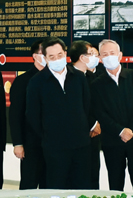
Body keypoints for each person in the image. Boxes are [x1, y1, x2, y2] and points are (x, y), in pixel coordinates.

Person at [26, 37, 95, 189]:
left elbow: (87, 106)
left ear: (65, 53)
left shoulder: (78, 77)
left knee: (82, 187)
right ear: (45, 58)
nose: (56, 59)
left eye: (59, 55)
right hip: (54, 148)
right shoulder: (37, 82)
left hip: (81, 145)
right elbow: (33, 115)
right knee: (56, 188)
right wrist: (48, 134)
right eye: (51, 57)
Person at [92, 39, 133, 192]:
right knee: (115, 183)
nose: (109, 57)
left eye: (112, 53)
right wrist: (120, 130)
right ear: (100, 58)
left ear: (120, 55)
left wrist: (131, 130)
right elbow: (100, 113)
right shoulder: (96, 84)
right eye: (105, 54)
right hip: (112, 141)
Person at [9, 39, 47, 189]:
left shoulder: (55, 79)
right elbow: (15, 114)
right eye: (43, 53)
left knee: (50, 185)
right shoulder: (22, 81)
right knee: (29, 184)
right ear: (35, 56)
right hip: (30, 143)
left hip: (52, 143)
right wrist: (18, 143)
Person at [69, 40, 103, 189]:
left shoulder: (90, 77)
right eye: (91, 54)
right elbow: (75, 107)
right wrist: (92, 124)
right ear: (82, 57)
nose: (95, 57)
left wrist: (96, 123)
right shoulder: (68, 77)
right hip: (76, 137)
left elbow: (95, 104)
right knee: (77, 178)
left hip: (93, 137)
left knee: (92, 173)